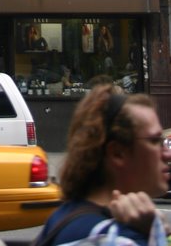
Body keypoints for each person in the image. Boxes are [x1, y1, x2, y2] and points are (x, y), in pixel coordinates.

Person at [35, 85, 171, 246]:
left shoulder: (63, 216)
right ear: (117, 153)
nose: (167, 153)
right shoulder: (114, 238)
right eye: (155, 141)